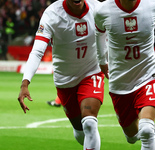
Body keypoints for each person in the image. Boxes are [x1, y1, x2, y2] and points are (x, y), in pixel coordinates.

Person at [94, 0, 155, 149]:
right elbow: (99, 34)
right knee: (131, 136)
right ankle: (147, 131)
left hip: (147, 74)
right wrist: (102, 61)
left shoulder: (152, 5)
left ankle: (149, 130)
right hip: (120, 81)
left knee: (146, 130)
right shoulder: (102, 10)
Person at [18, 0, 104, 150]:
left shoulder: (98, 9)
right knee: (80, 131)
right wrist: (25, 82)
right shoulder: (52, 15)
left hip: (92, 72)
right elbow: (38, 51)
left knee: (90, 122)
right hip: (65, 80)